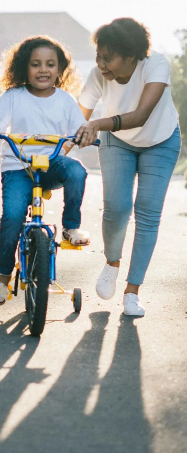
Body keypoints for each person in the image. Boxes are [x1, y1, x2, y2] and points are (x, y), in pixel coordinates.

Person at [0, 36, 90, 305]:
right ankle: (2, 277)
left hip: (51, 165)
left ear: (60, 69)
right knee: (13, 216)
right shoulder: (13, 96)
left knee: (77, 172)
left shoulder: (66, 100)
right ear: (25, 67)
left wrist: (83, 136)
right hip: (18, 167)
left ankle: (71, 227)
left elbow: (79, 130)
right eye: (36, 64)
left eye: (50, 64)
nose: (43, 70)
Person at [75, 18, 180, 317]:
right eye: (98, 55)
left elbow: (142, 115)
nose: (101, 63)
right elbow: (76, 118)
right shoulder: (99, 75)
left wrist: (97, 123)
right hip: (117, 141)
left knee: (147, 211)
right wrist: (59, 149)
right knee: (117, 207)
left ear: (131, 55)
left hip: (160, 140)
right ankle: (112, 263)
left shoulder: (155, 65)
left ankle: (132, 291)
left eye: (108, 57)